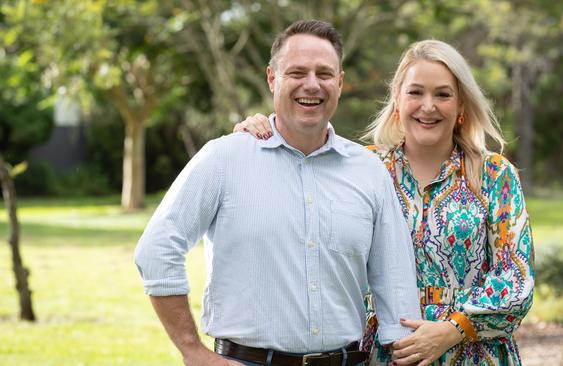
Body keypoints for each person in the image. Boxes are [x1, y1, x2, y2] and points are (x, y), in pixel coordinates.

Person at [134, 20, 422, 366]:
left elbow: (396, 281)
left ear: (340, 83)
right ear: (272, 78)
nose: (312, 85)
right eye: (297, 72)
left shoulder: (369, 171)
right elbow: (157, 248)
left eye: (325, 74)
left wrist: (401, 351)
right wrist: (192, 351)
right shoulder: (224, 159)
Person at [234, 39, 534, 365]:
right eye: (415, 92)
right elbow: (293, 198)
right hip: (383, 353)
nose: (428, 106)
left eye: (443, 94)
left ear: (461, 105)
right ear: (397, 101)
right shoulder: (360, 168)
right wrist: (259, 136)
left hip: (473, 352)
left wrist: (451, 330)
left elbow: (515, 279)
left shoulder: (493, 174)